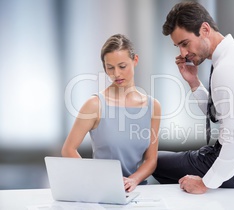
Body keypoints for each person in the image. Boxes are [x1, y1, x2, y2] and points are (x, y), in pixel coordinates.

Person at [152, 2, 234, 194]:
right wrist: (193, 82)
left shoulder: (228, 68)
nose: (183, 53)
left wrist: (206, 183)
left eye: (185, 44)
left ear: (204, 29)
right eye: (178, 46)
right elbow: (218, 115)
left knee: (153, 161)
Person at [62, 34, 161, 192]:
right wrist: (97, 178)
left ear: (135, 60)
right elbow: (68, 150)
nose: (116, 74)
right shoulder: (94, 105)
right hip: (102, 190)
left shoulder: (153, 106)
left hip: (138, 192)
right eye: (110, 68)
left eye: (122, 66)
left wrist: (132, 180)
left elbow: (151, 160)